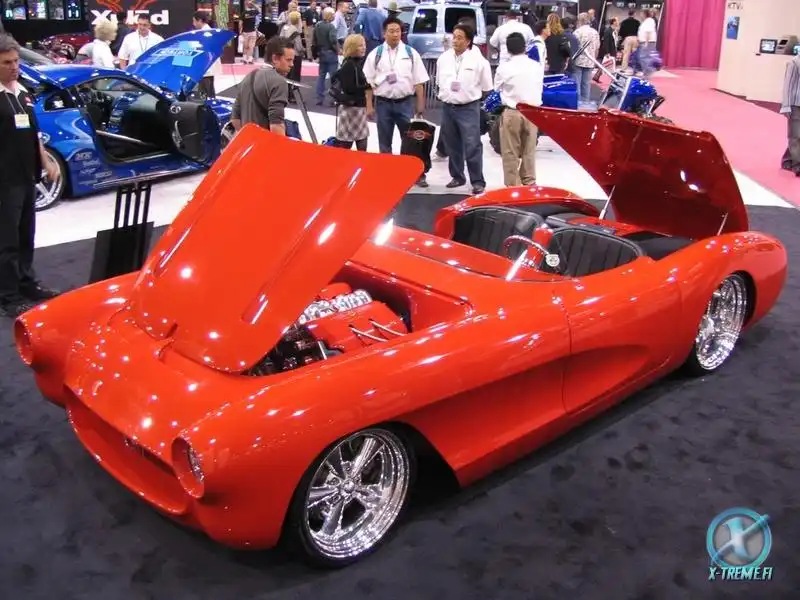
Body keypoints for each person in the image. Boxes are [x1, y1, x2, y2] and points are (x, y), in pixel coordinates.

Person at [0, 35, 61, 318]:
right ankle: (8, 296)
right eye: (7, 63)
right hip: (5, 180)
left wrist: (45, 160)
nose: (14, 67)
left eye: (16, 61)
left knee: (26, 235)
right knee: (7, 241)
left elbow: (33, 133)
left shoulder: (23, 92)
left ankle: (26, 282)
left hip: (27, 176)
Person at [363, 16, 429, 185]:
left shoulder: (410, 53)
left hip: (405, 103)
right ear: (384, 33)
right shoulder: (376, 54)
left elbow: (419, 81)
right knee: (384, 141)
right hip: (383, 104)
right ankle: (387, 174)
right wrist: (369, 105)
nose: (395, 34)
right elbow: (368, 82)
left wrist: (420, 104)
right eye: (391, 31)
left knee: (411, 141)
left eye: (398, 31)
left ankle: (414, 174)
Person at [436, 23, 492, 194]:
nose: (455, 41)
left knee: (472, 144)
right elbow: (439, 82)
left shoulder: (479, 61)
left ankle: (477, 181)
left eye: (460, 38)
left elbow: (486, 87)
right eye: (454, 37)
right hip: (448, 107)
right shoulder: (443, 58)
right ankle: (457, 176)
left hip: (468, 107)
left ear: (468, 41)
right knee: (452, 143)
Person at [494, 31, 543, 187]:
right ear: (524, 47)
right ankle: (529, 183)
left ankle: (513, 186)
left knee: (510, 151)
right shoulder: (536, 66)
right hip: (533, 113)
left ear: (508, 49)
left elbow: (496, 88)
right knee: (529, 150)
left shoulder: (504, 68)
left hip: (512, 111)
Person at [231, 36, 294, 135]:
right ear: (275, 58)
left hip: (248, 141)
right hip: (267, 142)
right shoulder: (279, 82)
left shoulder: (248, 77)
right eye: (288, 60)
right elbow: (276, 126)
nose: (292, 64)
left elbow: (235, 119)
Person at [332, 34, 370, 150]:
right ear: (352, 47)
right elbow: (349, 88)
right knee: (350, 143)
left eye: (364, 45)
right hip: (352, 109)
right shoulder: (350, 65)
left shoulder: (353, 63)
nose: (364, 48)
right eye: (360, 45)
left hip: (356, 108)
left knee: (358, 140)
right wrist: (368, 86)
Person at [192, 12, 222, 99]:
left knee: (206, 94)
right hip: (206, 68)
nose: (193, 24)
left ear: (199, 20)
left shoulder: (206, 33)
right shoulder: (205, 31)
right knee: (207, 92)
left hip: (206, 68)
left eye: (194, 21)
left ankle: (209, 106)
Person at [313, 7, 340, 105]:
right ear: (330, 15)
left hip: (321, 53)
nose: (334, 16)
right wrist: (338, 50)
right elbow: (333, 40)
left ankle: (319, 98)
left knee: (321, 76)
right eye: (333, 15)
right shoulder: (331, 27)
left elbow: (314, 40)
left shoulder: (317, 25)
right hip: (331, 54)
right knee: (334, 77)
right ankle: (333, 99)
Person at [572, 12, 600, 104]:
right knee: (586, 84)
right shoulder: (595, 32)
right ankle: (585, 103)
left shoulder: (577, 32)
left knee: (577, 83)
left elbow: (573, 47)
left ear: (580, 20)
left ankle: (577, 103)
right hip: (590, 61)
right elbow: (597, 48)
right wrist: (594, 60)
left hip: (577, 61)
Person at [781, 52, 800, 176]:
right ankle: (798, 165)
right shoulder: (794, 63)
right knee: (795, 136)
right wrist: (786, 106)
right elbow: (787, 86)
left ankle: (787, 160)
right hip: (795, 105)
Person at [280, 10, 305, 83]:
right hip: (295, 55)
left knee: (286, 73)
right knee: (295, 75)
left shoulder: (284, 28)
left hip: (284, 53)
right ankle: (294, 87)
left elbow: (280, 39)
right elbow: (299, 46)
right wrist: (304, 50)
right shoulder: (296, 31)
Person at [238, 0, 261, 64]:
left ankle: (245, 59)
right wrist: (253, 4)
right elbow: (259, 10)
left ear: (246, 5)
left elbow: (240, 23)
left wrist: (240, 31)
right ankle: (250, 59)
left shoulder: (243, 13)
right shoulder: (254, 12)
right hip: (252, 32)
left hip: (245, 32)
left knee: (245, 46)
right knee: (251, 47)